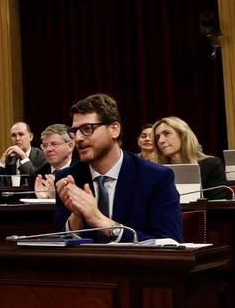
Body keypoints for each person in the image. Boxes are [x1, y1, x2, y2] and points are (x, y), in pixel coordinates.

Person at [54, 93, 182, 242]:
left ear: (114, 129)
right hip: (85, 265)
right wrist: (76, 220)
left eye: (87, 128)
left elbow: (170, 243)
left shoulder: (155, 177)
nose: (78, 138)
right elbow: (56, 243)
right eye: (74, 131)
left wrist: (104, 224)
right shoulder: (69, 179)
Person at [152, 117, 231, 200]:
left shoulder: (211, 165)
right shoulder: (158, 171)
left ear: (183, 135)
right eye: (157, 137)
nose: (161, 140)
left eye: (167, 133)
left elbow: (218, 204)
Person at [0, 121, 48, 186]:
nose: (17, 138)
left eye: (21, 134)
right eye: (13, 135)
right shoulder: (10, 158)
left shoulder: (42, 156)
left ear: (31, 137)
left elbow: (37, 181)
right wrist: (2, 161)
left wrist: (23, 157)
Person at [33, 124, 75, 198]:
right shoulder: (37, 175)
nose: (48, 149)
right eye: (45, 145)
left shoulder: (84, 172)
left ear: (70, 146)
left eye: (54, 144)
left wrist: (56, 198)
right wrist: (44, 201)